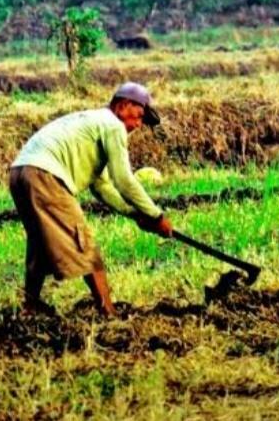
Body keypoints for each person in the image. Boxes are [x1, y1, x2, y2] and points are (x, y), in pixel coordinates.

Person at [9, 82, 172, 317]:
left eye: (141, 122)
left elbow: (102, 186)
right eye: (137, 117)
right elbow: (124, 180)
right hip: (46, 175)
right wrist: (156, 216)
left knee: (39, 243)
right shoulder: (113, 126)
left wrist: (136, 215)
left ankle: (30, 306)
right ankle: (108, 311)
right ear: (122, 105)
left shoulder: (94, 121)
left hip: (20, 172)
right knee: (83, 242)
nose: (137, 125)